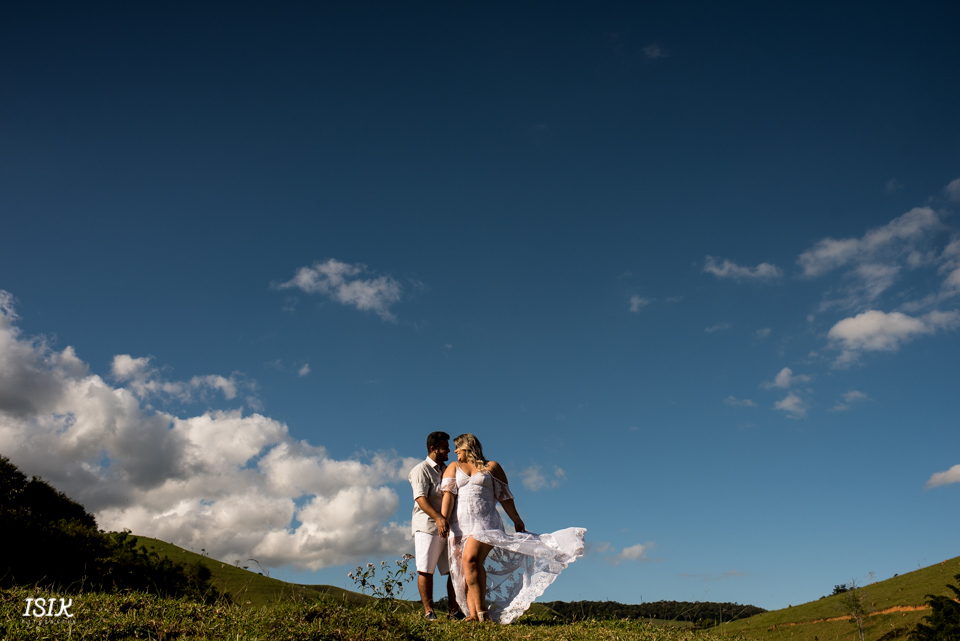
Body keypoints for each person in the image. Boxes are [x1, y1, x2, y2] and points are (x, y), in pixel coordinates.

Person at [440, 433, 586, 623]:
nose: (455, 451)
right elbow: (448, 496)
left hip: (485, 525)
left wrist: (516, 519)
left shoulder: (491, 467)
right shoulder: (453, 467)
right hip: (460, 527)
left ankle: (482, 613)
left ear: (467, 447)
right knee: (468, 571)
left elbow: (505, 497)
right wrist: (443, 519)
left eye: (457, 447)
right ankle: (474, 615)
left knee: (471, 558)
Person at [408, 431, 462, 620]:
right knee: (426, 568)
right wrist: (439, 518)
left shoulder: (447, 469)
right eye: (445, 447)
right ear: (433, 449)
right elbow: (421, 498)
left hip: (448, 527)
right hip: (428, 526)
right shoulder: (421, 469)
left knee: (454, 568)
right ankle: (429, 612)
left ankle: (453, 610)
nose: (449, 450)